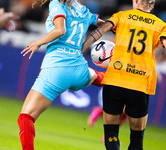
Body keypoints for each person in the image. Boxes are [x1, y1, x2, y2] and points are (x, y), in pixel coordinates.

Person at [82, 0, 166, 149]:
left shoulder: (121, 16)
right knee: (136, 138)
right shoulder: (160, 25)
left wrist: (82, 49)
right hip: (140, 85)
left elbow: (100, 31)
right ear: (152, 4)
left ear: (135, 1)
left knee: (110, 133)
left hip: (115, 81)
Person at [17, 0, 105, 149]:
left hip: (57, 70)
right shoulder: (83, 10)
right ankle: (127, 79)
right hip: (79, 69)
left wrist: (38, 42)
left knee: (25, 118)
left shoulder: (57, 4)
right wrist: (86, 45)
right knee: (99, 77)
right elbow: (107, 25)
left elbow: (60, 30)